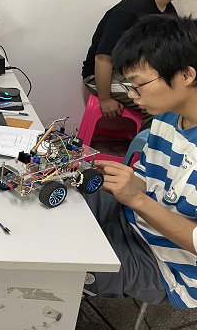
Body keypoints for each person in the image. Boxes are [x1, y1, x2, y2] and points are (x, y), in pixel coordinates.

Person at [84, 15, 197, 308]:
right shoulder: (167, 117)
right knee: (66, 197)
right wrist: (120, 179)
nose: (133, 96)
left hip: (172, 266)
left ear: (186, 75)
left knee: (60, 265)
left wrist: (136, 198)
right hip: (136, 220)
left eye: (138, 85)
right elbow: (145, 181)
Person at [82, 0, 197, 131]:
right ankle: (148, 146)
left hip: (139, 72)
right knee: (160, 100)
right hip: (102, 76)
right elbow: (103, 58)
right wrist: (105, 98)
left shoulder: (167, 9)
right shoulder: (130, 10)